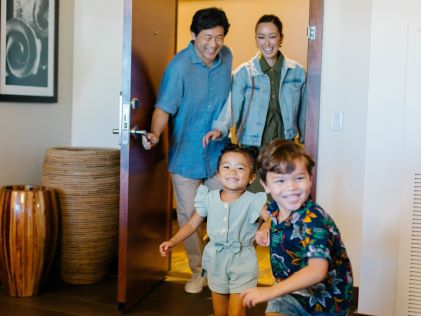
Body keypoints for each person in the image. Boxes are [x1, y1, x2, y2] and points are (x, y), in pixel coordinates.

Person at [142, 7, 232, 294]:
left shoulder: (227, 57)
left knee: (223, 215)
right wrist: (155, 134)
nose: (213, 44)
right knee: (190, 217)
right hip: (185, 156)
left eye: (219, 37)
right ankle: (198, 271)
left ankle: (222, 270)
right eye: (207, 37)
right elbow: (163, 108)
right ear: (194, 36)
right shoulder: (179, 67)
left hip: (219, 155)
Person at [242, 140, 353, 315]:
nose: (291, 187)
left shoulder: (314, 220)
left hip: (325, 302)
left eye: (299, 178)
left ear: (310, 178)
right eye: (280, 180)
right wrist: (265, 228)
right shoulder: (276, 207)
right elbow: (271, 216)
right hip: (287, 293)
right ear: (265, 185)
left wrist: (270, 291)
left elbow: (317, 270)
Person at [159, 144, 267, 316]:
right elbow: (191, 225)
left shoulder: (255, 200)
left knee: (236, 312)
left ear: (251, 177)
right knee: (220, 311)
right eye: (226, 167)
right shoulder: (208, 198)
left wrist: (265, 228)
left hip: (243, 263)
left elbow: (271, 217)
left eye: (240, 168)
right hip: (215, 261)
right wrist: (173, 241)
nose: (232, 171)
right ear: (218, 174)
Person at [203, 14, 306, 148]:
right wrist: (219, 129)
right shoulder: (244, 73)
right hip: (252, 146)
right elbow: (232, 107)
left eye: (272, 37)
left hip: (285, 147)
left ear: (281, 38)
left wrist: (306, 138)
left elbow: (305, 113)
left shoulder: (297, 72)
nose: (267, 43)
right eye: (261, 37)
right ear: (256, 40)